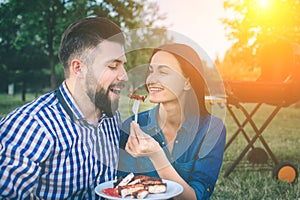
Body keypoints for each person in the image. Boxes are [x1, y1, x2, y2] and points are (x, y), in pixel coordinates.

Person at [0, 17, 128, 199]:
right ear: (78, 68)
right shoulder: (31, 126)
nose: (124, 76)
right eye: (113, 66)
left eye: (124, 65)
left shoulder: (112, 117)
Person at [118, 43, 226, 200]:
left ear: (187, 82)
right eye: (151, 71)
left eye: (163, 72)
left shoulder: (211, 130)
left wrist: (157, 155)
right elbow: (123, 190)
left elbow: (197, 197)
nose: (151, 79)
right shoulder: (132, 126)